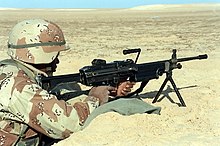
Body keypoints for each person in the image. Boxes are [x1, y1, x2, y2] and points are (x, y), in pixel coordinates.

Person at [0, 19, 135, 146]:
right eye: (55, 55)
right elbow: (68, 125)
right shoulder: (18, 86)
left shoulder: (13, 71)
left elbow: (53, 102)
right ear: (41, 54)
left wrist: (108, 92)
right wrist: (95, 98)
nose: (57, 61)